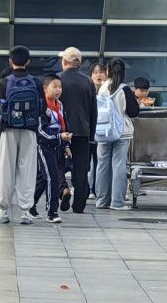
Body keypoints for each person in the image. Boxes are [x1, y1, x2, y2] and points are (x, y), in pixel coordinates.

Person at [0, 45, 43, 225]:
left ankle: (2, 209)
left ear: (11, 61)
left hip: (8, 129)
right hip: (30, 131)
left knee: (5, 168)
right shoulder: (36, 82)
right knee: (28, 169)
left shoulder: (4, 82)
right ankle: (26, 212)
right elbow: (43, 108)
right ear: (28, 61)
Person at [57, 46, 97, 214]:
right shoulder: (88, 81)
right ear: (79, 64)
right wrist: (91, 134)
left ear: (65, 61)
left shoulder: (57, 80)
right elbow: (93, 110)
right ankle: (79, 204)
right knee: (81, 169)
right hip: (82, 131)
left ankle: (63, 189)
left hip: (61, 131)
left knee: (57, 164)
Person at [96, 58, 140, 211]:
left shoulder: (102, 88)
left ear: (108, 70)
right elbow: (134, 112)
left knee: (102, 165)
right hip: (122, 133)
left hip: (103, 131)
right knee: (119, 165)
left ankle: (101, 201)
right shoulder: (124, 89)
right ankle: (117, 202)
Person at [32, 74, 71, 224]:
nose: (58, 90)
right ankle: (52, 211)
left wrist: (66, 144)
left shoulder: (60, 105)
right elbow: (41, 131)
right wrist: (60, 137)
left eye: (60, 86)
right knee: (53, 177)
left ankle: (30, 205)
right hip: (44, 146)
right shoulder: (42, 106)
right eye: (54, 86)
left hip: (58, 145)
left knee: (44, 178)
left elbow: (64, 125)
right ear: (44, 88)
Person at [88, 62, 107, 202]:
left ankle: (98, 189)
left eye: (101, 72)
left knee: (100, 161)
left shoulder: (109, 91)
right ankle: (89, 188)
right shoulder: (88, 90)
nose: (98, 75)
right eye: (95, 72)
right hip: (91, 130)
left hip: (104, 131)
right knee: (91, 162)